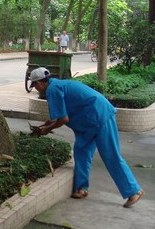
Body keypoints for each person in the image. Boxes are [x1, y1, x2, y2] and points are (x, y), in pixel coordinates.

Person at [29, 67, 144, 208]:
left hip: (100, 118)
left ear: (39, 83)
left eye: (34, 85)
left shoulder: (52, 90)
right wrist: (45, 125)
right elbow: (59, 116)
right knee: (81, 152)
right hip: (87, 124)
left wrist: (47, 129)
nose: (35, 88)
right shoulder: (57, 85)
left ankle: (134, 191)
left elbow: (63, 119)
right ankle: (82, 188)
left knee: (111, 156)